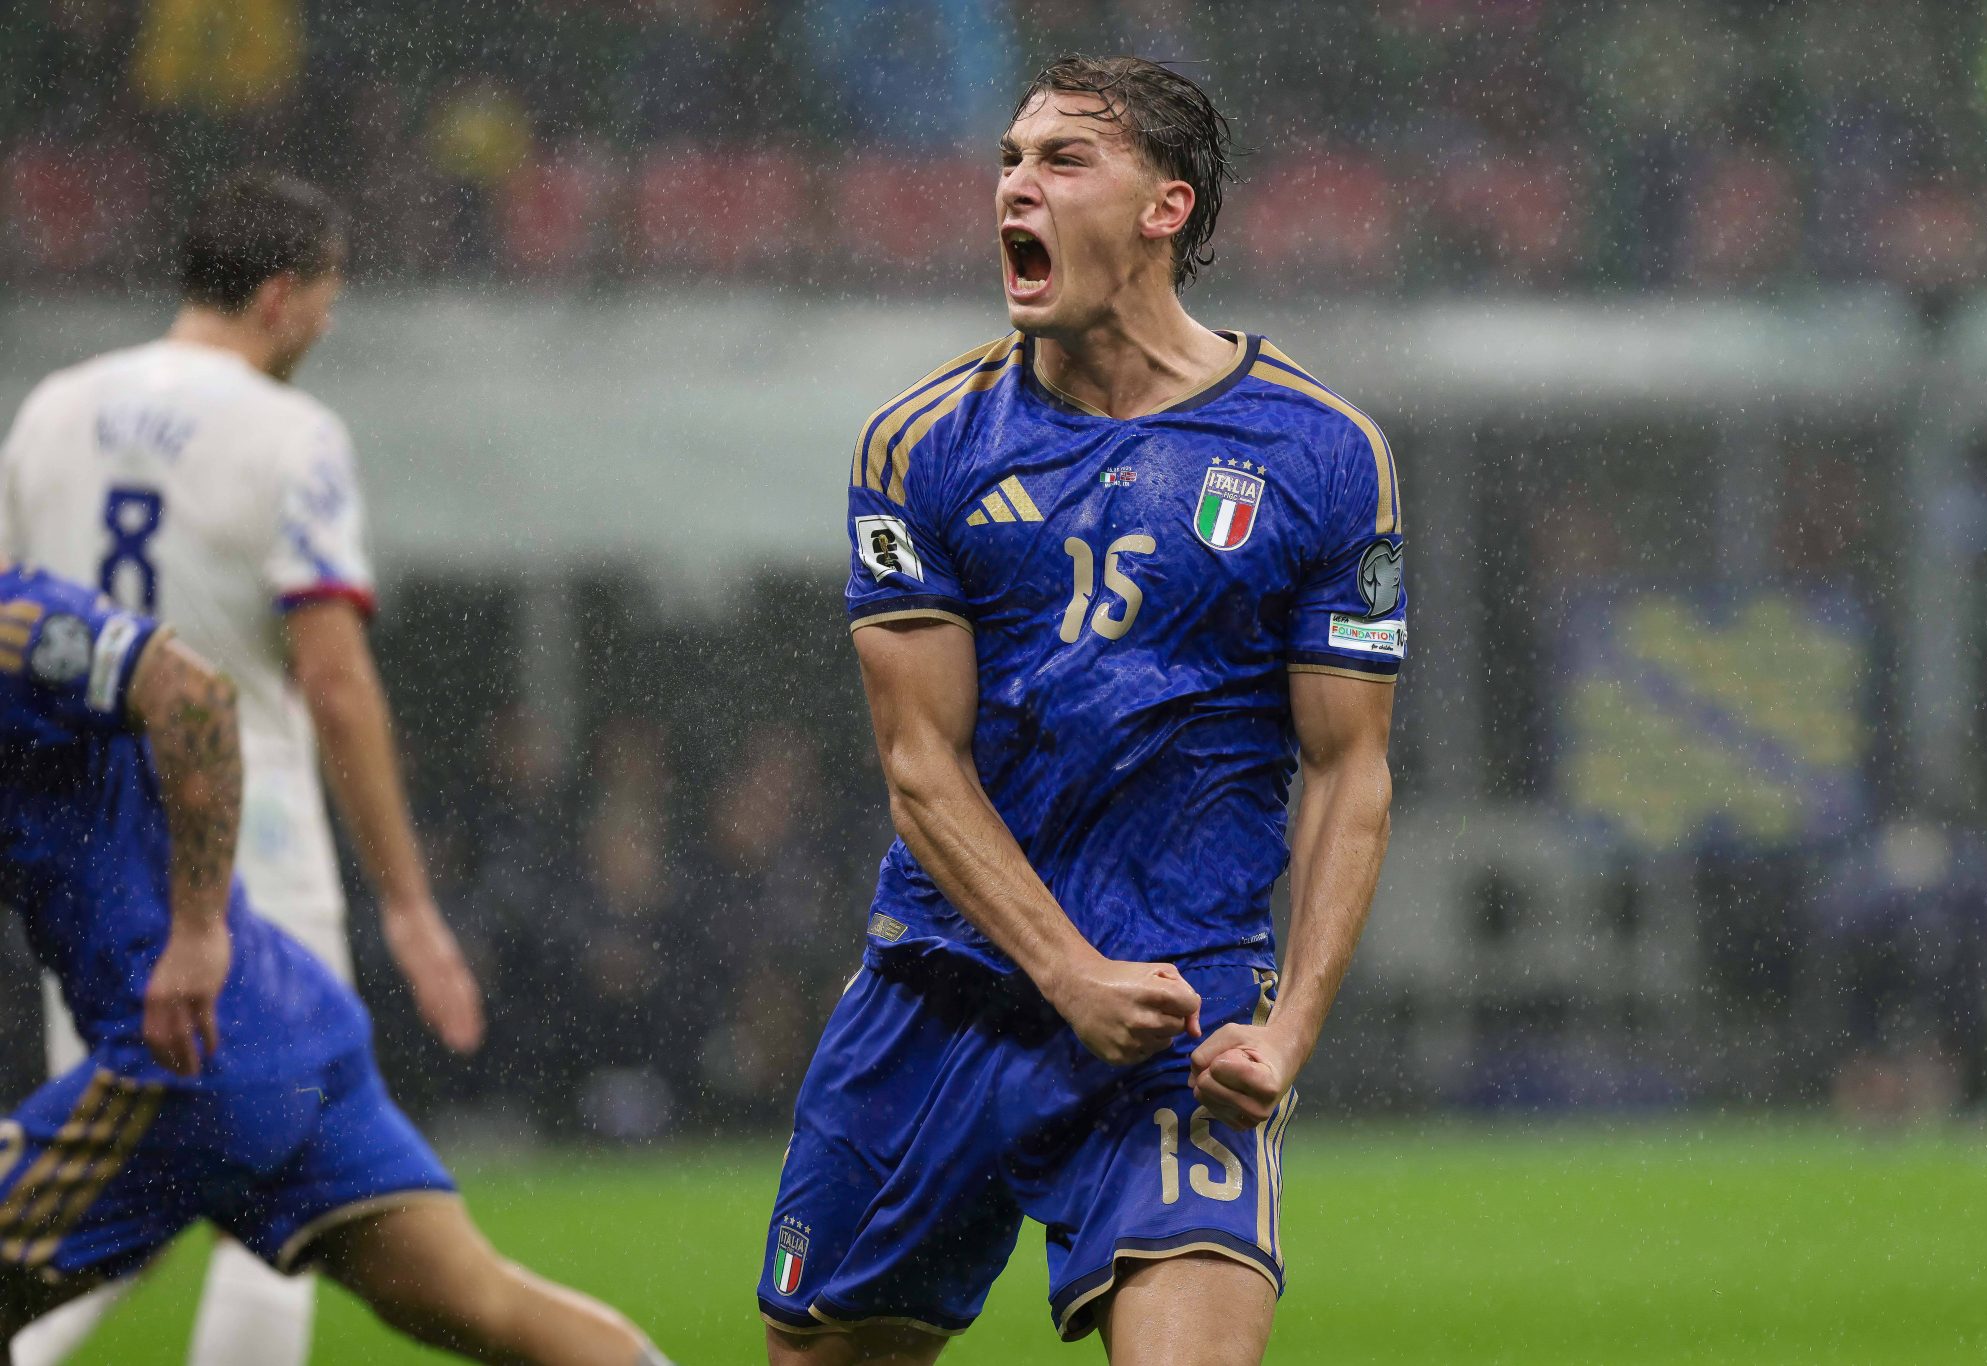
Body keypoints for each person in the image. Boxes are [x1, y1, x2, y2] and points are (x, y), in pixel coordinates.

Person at [759, 56, 1405, 1365]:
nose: (1014, 186)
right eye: (1009, 160)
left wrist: (1288, 1032)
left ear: (1165, 208)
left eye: (1061, 160)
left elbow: (1352, 771)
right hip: (941, 999)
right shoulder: (921, 445)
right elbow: (920, 765)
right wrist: (1067, 973)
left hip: (1181, 1014)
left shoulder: (1324, 453)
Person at [0, 169, 481, 1365]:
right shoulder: (292, 433)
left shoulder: (52, 408)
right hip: (249, 838)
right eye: (325, 298)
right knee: (278, 1198)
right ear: (279, 295)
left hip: (90, 855)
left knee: (100, 1186)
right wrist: (410, 905)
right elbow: (333, 680)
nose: (325, 322)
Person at [0, 562, 674, 1366]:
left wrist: (197, 929)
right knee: (483, 1303)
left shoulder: (21, 621)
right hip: (290, 1028)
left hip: (191, 1056)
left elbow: (194, 694)